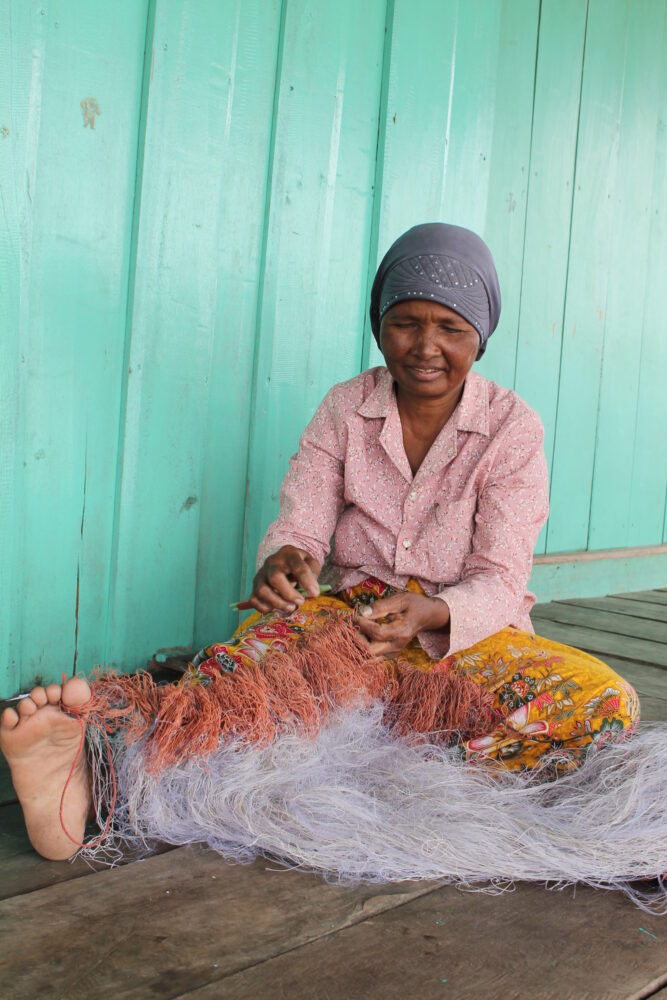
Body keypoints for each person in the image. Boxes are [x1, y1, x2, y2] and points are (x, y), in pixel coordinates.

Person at [0, 223, 639, 862]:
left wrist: (434, 614)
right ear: (377, 324)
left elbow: (500, 578)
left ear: (482, 336)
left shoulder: (511, 429)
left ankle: (349, 758)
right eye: (404, 323)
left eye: (451, 328)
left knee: (606, 705)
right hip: (347, 631)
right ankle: (91, 788)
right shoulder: (346, 407)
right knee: (228, 676)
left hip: (465, 645)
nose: (425, 347)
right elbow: (302, 528)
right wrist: (286, 562)